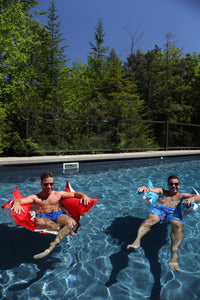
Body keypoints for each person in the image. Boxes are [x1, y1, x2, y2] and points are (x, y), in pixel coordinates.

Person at [127, 175, 200, 272]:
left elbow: (198, 197)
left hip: (173, 212)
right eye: (171, 184)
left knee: (178, 226)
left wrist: (192, 199)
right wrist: (144, 186)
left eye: (176, 184)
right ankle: (137, 241)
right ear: (168, 185)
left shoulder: (182, 195)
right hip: (159, 209)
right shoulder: (162, 191)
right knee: (148, 221)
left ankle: (174, 256)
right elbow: (149, 189)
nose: (174, 186)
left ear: (179, 185)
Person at [12, 171, 91, 259]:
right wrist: (16, 203)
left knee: (72, 223)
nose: (49, 187)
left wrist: (84, 195)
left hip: (58, 214)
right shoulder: (35, 197)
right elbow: (19, 200)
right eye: (46, 184)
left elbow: (75, 194)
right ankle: (64, 230)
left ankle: (51, 247)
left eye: (51, 184)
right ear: (41, 184)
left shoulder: (58, 194)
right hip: (43, 217)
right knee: (40, 222)